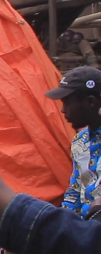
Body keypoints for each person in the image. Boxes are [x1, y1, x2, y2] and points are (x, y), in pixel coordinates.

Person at [44, 66, 101, 217]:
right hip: (85, 230)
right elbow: (75, 190)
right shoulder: (80, 142)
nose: (63, 110)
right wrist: (61, 220)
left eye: (67, 103)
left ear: (90, 102)